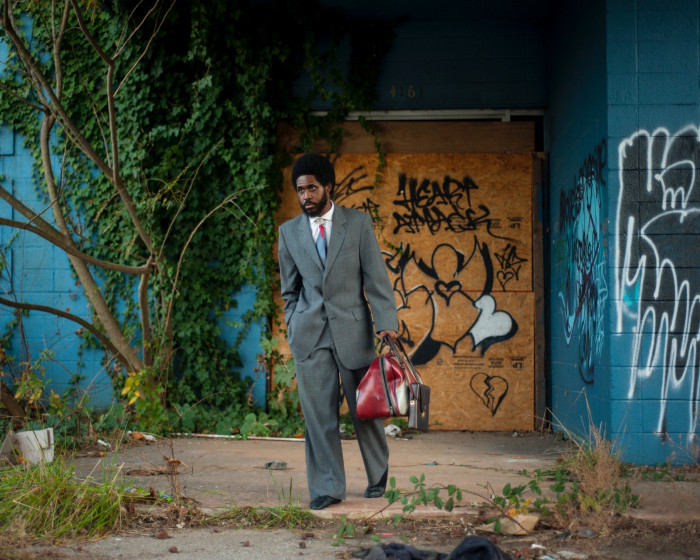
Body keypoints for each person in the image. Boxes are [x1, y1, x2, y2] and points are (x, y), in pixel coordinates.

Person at [277, 153, 399, 510]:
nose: (306, 196)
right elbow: (289, 291)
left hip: (353, 332)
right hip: (310, 336)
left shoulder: (357, 224)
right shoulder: (288, 232)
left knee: (366, 410)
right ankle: (327, 487)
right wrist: (293, 324)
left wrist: (387, 323)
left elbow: (376, 279)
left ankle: (377, 475)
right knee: (319, 417)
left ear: (328, 187)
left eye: (312, 188)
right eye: (300, 190)